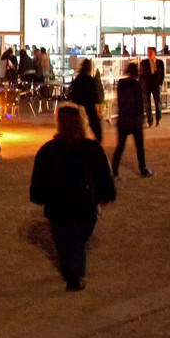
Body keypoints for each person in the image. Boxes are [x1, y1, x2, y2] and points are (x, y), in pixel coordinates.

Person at [29, 103, 117, 291]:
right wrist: (105, 196)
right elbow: (105, 179)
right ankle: (76, 273)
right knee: (78, 240)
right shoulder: (93, 149)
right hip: (85, 206)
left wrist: (40, 197)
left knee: (63, 242)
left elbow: (38, 184)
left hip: (58, 207)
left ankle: (72, 274)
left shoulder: (48, 151)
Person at [110, 62, 154, 178]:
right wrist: (144, 118)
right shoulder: (138, 85)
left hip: (123, 119)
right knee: (139, 146)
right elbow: (140, 104)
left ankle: (114, 170)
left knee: (120, 146)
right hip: (134, 120)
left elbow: (120, 101)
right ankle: (143, 169)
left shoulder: (121, 83)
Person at [69, 59, 104, 143]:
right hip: (89, 108)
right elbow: (95, 96)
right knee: (97, 132)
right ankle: (96, 147)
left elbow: (73, 95)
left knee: (79, 131)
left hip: (79, 108)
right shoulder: (90, 81)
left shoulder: (77, 81)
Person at [139, 47, 165, 127]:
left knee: (158, 102)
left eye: (151, 52)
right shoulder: (144, 62)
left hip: (156, 84)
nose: (149, 54)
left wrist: (160, 83)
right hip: (147, 85)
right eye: (148, 52)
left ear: (155, 53)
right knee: (147, 103)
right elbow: (141, 74)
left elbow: (162, 74)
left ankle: (158, 119)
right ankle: (150, 120)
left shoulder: (160, 63)